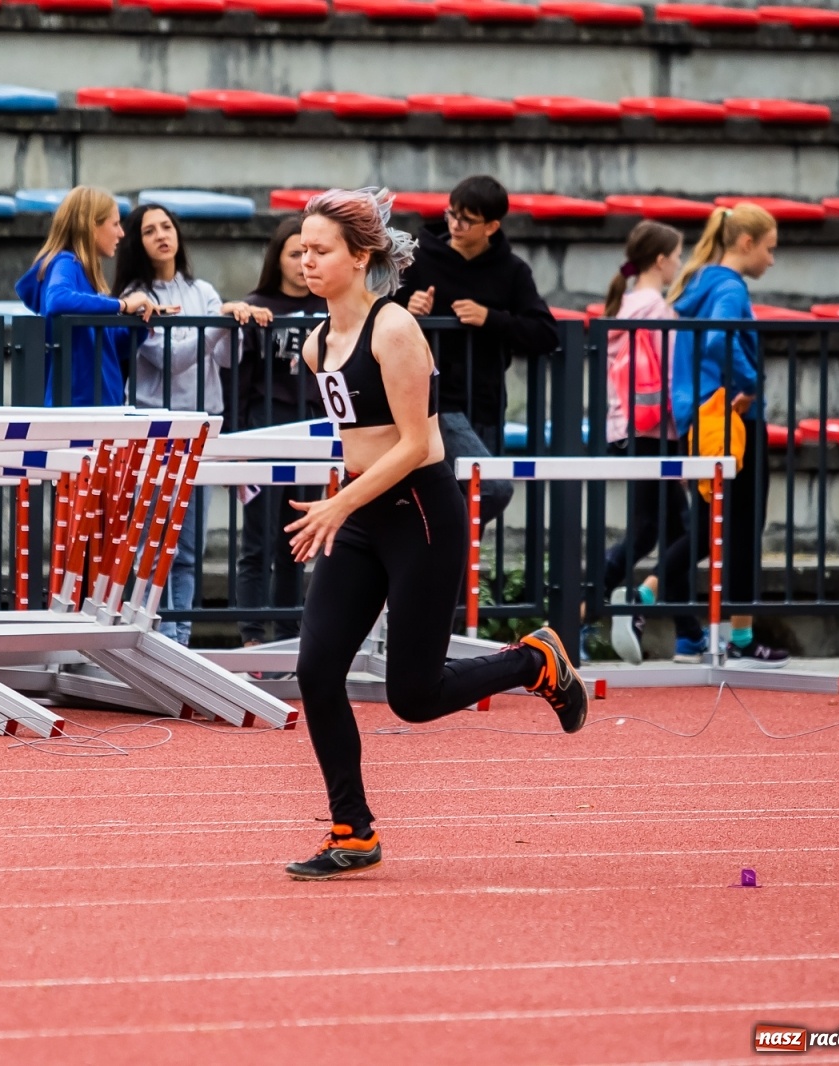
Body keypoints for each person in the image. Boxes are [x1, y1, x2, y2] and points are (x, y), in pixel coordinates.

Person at [284, 188, 586, 882]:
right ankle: (352, 832)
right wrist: (344, 503)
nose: (306, 259)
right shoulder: (314, 344)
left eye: (320, 249)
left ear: (361, 257)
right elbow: (359, 439)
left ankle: (534, 662)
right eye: (301, 248)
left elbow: (419, 445)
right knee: (316, 672)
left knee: (413, 697)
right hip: (362, 518)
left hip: (420, 512)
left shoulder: (394, 332)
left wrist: (336, 505)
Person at [112, 202, 268, 644]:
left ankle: (179, 639)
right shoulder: (136, 298)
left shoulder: (202, 289)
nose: (162, 235)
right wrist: (220, 323)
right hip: (156, 431)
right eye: (149, 230)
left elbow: (225, 359)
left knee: (188, 546)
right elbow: (170, 359)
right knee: (152, 544)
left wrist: (229, 327)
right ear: (137, 243)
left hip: (201, 426)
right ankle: (152, 636)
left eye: (167, 226)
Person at [394, 175, 560, 530]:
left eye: (466, 219)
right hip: (431, 401)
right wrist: (408, 309)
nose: (455, 224)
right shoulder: (418, 260)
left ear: (492, 226)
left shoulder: (512, 270)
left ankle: (446, 571)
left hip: (485, 402)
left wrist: (491, 319)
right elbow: (376, 315)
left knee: (474, 505)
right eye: (451, 214)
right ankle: (429, 552)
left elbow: (545, 333)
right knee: (485, 489)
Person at [666, 202, 789, 667]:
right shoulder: (730, 286)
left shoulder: (701, 280)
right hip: (729, 416)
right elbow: (719, 338)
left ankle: (661, 599)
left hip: (700, 413)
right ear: (746, 243)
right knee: (742, 526)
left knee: (714, 523)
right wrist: (748, 385)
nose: (771, 260)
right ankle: (741, 636)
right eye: (770, 249)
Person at [598, 221, 690, 665]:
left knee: (670, 528)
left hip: (629, 427)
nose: (679, 264)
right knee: (657, 530)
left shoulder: (627, 302)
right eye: (677, 256)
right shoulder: (655, 307)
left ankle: (689, 630)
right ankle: (583, 612)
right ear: (660, 260)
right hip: (656, 430)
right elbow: (671, 374)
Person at [235, 216, 329, 650]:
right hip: (264, 425)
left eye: (309, 253)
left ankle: (291, 636)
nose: (301, 262)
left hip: (311, 427)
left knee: (299, 534)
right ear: (278, 258)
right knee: (258, 536)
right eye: (293, 253)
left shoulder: (328, 305)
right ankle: (252, 635)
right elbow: (239, 374)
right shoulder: (256, 305)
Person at [15, 187, 166, 406]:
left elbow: (115, 348)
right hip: (77, 410)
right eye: (115, 224)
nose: (121, 233)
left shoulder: (85, 275)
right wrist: (123, 304)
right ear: (91, 226)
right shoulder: (65, 262)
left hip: (100, 406)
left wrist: (141, 322)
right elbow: (57, 299)